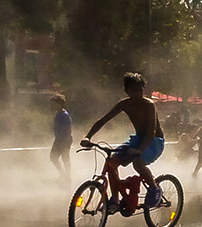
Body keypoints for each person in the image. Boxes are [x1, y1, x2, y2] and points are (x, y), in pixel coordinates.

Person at [82, 72, 165, 210]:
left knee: (138, 163)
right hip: (137, 139)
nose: (138, 94)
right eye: (133, 90)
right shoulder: (124, 104)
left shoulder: (149, 105)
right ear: (126, 91)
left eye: (140, 90)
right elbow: (103, 120)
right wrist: (88, 137)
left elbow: (151, 132)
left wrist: (139, 150)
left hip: (154, 141)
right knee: (111, 162)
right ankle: (115, 200)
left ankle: (154, 188)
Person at [49, 94, 72, 181]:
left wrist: (65, 140)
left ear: (59, 104)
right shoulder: (58, 114)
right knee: (53, 157)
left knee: (65, 158)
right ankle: (64, 175)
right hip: (58, 139)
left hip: (64, 140)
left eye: (54, 104)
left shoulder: (64, 115)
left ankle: (67, 177)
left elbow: (68, 128)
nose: (52, 106)